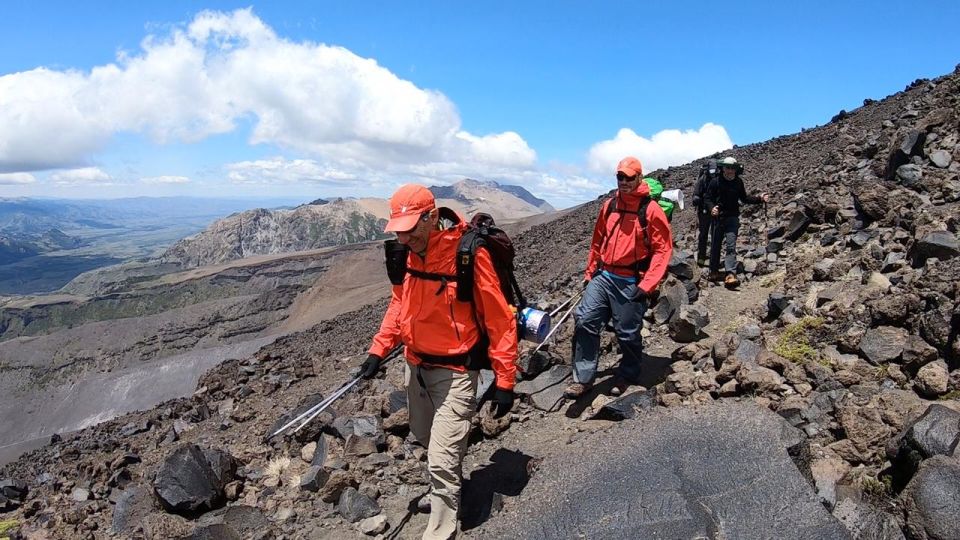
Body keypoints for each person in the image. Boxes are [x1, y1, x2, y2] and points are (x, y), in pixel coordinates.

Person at [360, 183, 518, 540]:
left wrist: (505, 380)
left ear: (432, 217)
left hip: (456, 372)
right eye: (398, 229)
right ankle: (445, 487)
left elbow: (499, 319)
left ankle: (441, 529)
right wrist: (378, 350)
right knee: (425, 436)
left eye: (412, 227)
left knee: (442, 456)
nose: (405, 236)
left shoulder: (467, 254)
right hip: (415, 365)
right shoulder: (406, 254)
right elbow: (398, 304)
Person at [565, 156, 673, 398]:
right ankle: (583, 379)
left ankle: (628, 374)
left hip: (631, 280)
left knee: (627, 332)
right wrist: (590, 271)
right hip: (603, 275)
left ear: (639, 178)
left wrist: (647, 285)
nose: (623, 181)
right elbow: (597, 240)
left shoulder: (651, 210)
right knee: (585, 321)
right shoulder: (610, 205)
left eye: (629, 177)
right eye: (620, 176)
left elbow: (662, 250)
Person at [703, 156, 769, 287]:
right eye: (727, 168)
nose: (729, 170)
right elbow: (707, 198)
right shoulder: (715, 182)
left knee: (731, 246)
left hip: (733, 218)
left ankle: (730, 274)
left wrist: (759, 199)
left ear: (735, 169)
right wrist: (712, 208)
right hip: (718, 218)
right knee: (715, 245)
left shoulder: (738, 182)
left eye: (732, 168)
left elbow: (744, 198)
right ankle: (714, 271)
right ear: (723, 168)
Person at [693, 159, 719, 266]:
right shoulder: (702, 180)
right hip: (704, 211)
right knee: (703, 235)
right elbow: (696, 194)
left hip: (716, 211)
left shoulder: (719, 179)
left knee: (715, 235)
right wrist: (696, 199)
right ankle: (701, 258)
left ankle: (713, 261)